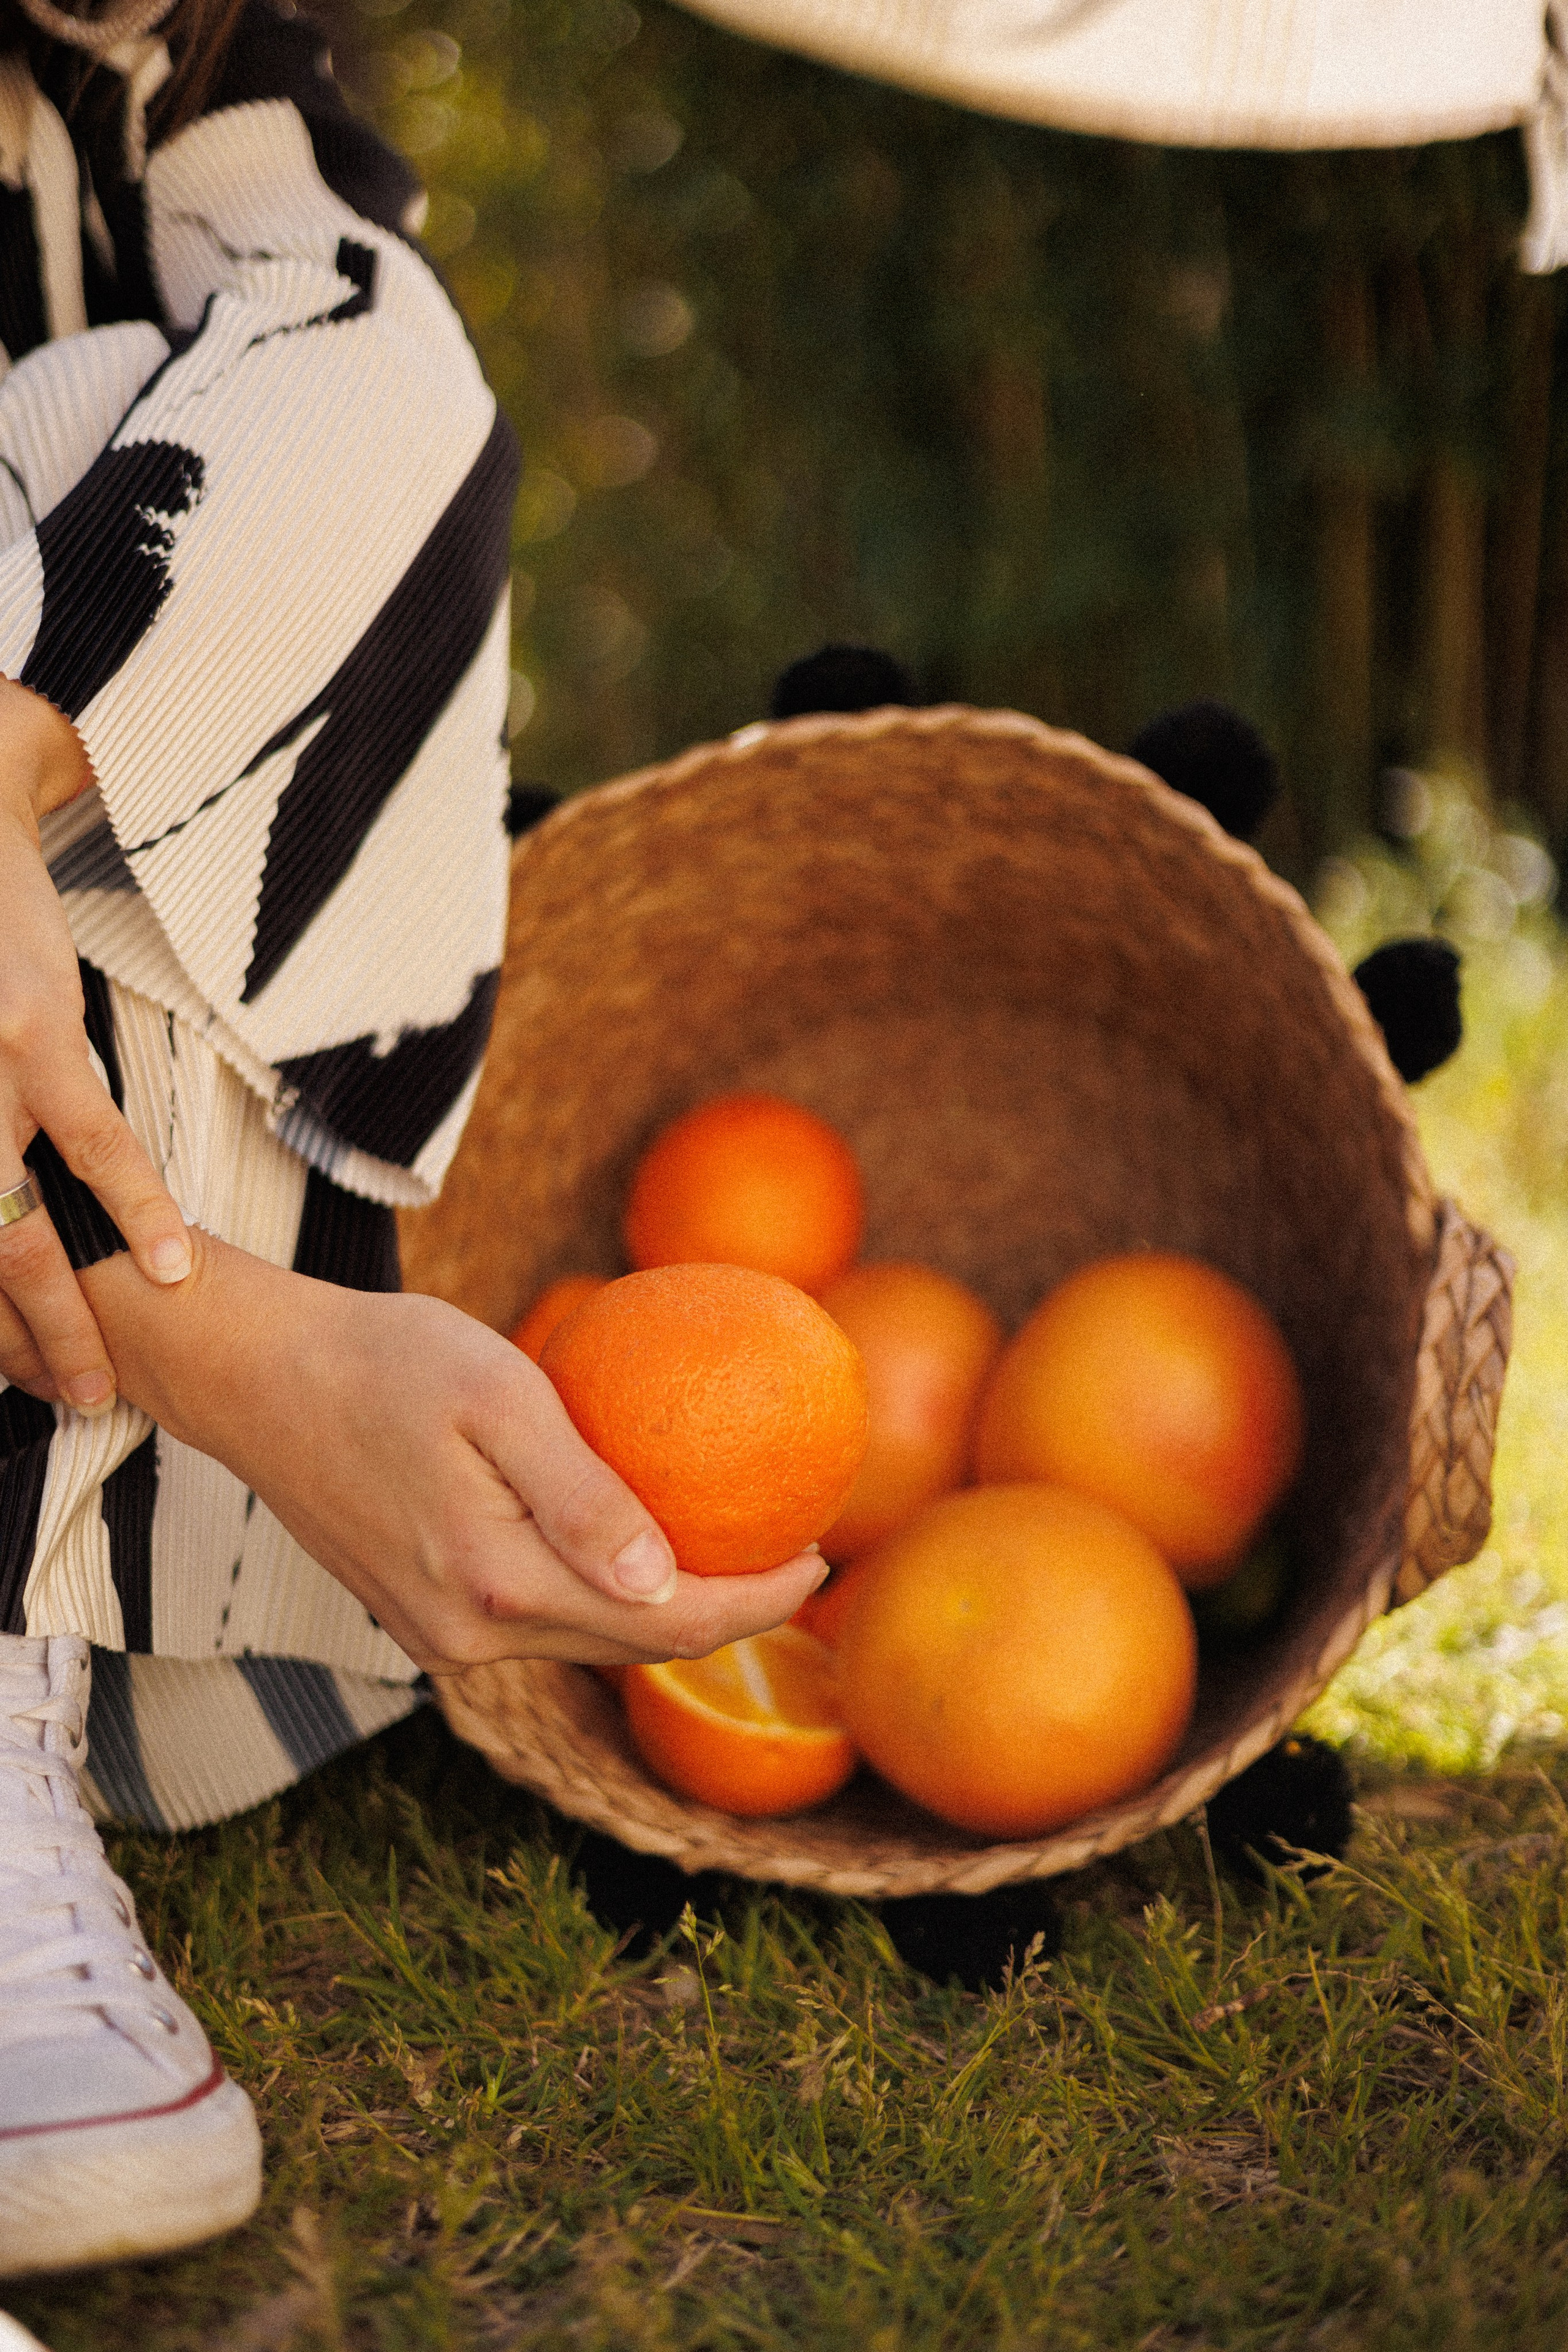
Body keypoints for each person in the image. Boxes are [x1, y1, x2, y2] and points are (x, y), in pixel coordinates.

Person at [0, 0, 826, 2282]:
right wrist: (231, 1357)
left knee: (342, 365)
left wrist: (11, 755)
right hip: (150, 1349)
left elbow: (355, 332)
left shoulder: (165, 68)